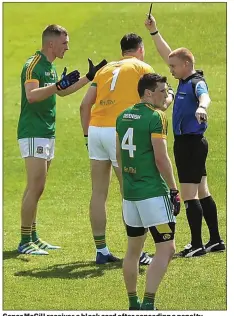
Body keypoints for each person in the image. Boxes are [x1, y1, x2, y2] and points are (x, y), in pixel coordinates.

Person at [80, 33, 175, 265]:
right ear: (140, 49)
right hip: (121, 130)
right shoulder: (142, 67)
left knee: (98, 193)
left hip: (95, 129)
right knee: (130, 191)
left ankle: (101, 250)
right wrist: (169, 98)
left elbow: (85, 105)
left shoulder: (104, 70)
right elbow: (156, 101)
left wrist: (87, 136)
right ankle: (138, 251)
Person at [17, 24, 107, 255]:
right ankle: (25, 240)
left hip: (46, 131)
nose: (67, 47)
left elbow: (61, 92)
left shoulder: (49, 66)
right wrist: (56, 85)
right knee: (35, 186)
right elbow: (31, 95)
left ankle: (33, 236)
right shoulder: (33, 65)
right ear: (51, 44)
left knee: (38, 187)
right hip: (33, 131)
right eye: (64, 43)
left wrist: (89, 77)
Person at [144, 15, 225, 257]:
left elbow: (205, 96)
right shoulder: (184, 79)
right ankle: (216, 241)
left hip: (190, 144)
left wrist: (202, 108)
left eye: (173, 67)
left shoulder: (195, 82)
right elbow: (168, 54)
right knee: (203, 191)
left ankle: (197, 244)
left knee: (189, 196)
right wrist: (154, 32)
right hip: (193, 144)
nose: (170, 70)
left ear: (186, 65)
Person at [116, 73, 180, 310]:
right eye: (163, 91)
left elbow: (118, 157)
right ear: (148, 93)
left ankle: (133, 302)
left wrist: (126, 187)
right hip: (153, 196)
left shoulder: (122, 116)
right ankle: (149, 303)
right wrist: (174, 190)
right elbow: (161, 158)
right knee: (166, 247)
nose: (166, 96)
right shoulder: (156, 117)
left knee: (133, 249)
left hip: (131, 198)